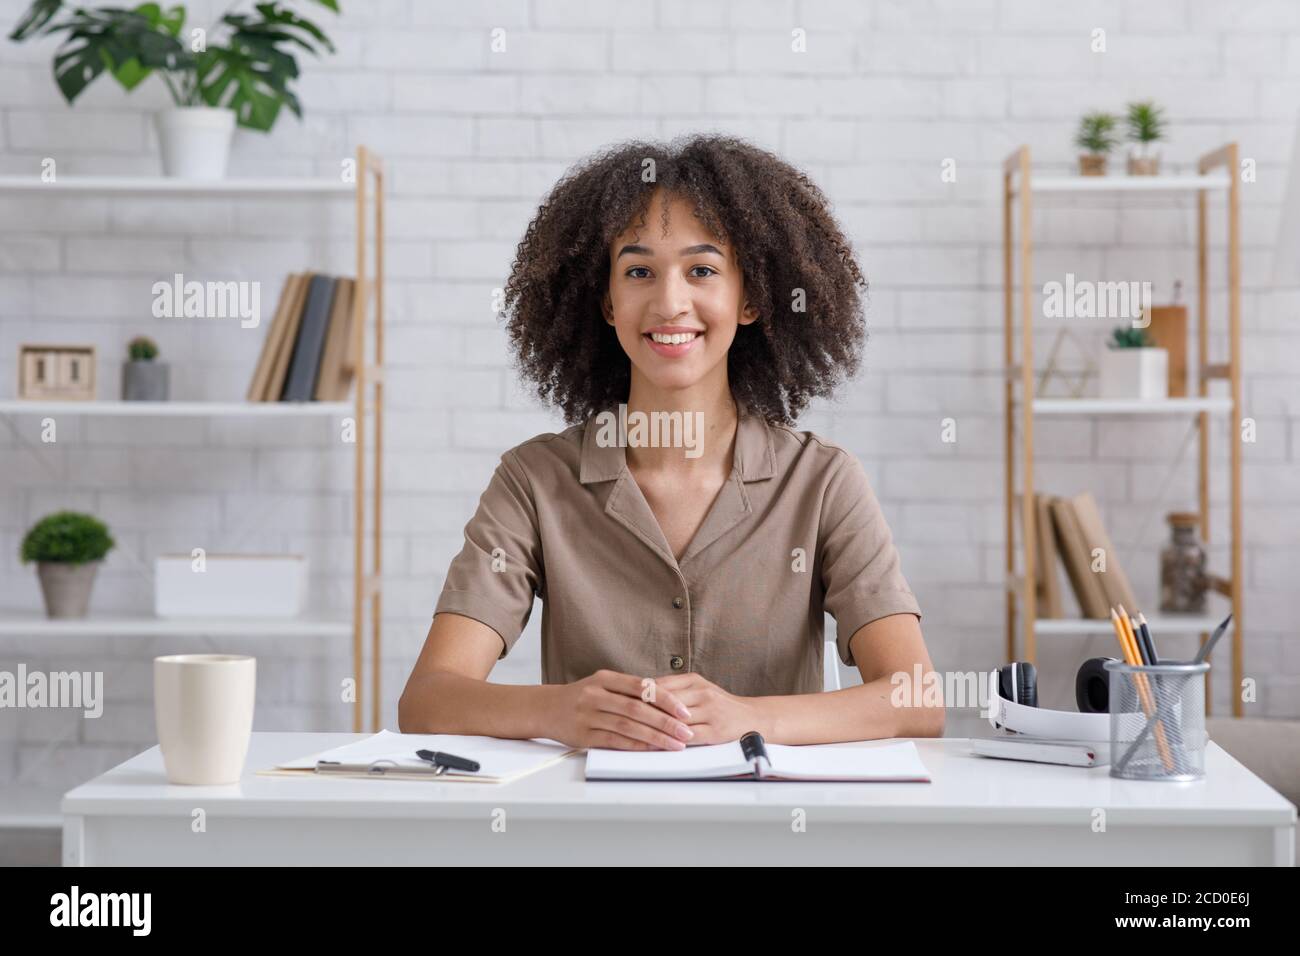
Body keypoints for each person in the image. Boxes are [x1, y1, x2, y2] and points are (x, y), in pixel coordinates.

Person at [400, 135, 944, 750]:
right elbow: (428, 699)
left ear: (751, 299)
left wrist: (751, 719)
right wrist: (559, 710)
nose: (669, 302)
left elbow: (915, 698)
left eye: (702, 270)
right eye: (638, 272)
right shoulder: (535, 480)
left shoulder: (822, 483)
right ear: (607, 302)